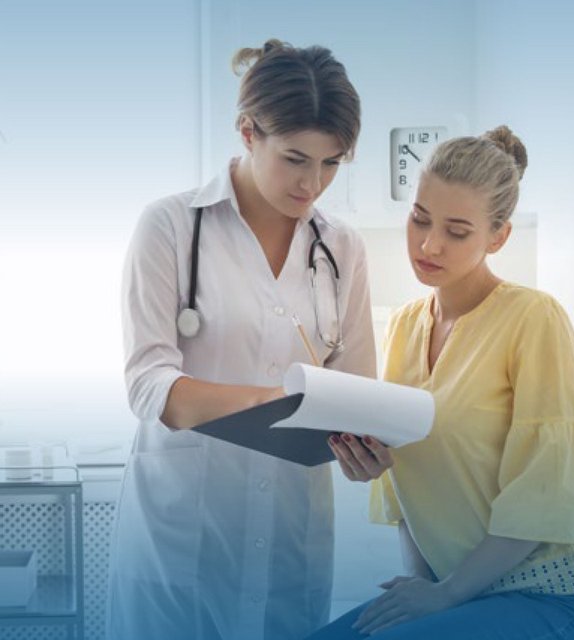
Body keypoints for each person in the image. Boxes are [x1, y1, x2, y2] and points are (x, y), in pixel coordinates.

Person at [106, 39, 379, 640]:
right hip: (181, 541)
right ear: (248, 132)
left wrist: (364, 451)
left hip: (290, 541)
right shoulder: (171, 226)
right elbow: (149, 385)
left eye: (332, 163)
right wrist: (273, 404)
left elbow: (355, 390)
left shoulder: (343, 248)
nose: (312, 183)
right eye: (295, 158)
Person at [313, 126, 574, 639]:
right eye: (419, 219)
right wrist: (423, 588)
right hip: (453, 591)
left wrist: (446, 596)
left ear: (498, 237)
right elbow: (408, 485)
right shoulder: (405, 325)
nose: (429, 244)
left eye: (457, 231)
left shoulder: (534, 319)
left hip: (549, 598)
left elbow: (544, 493)